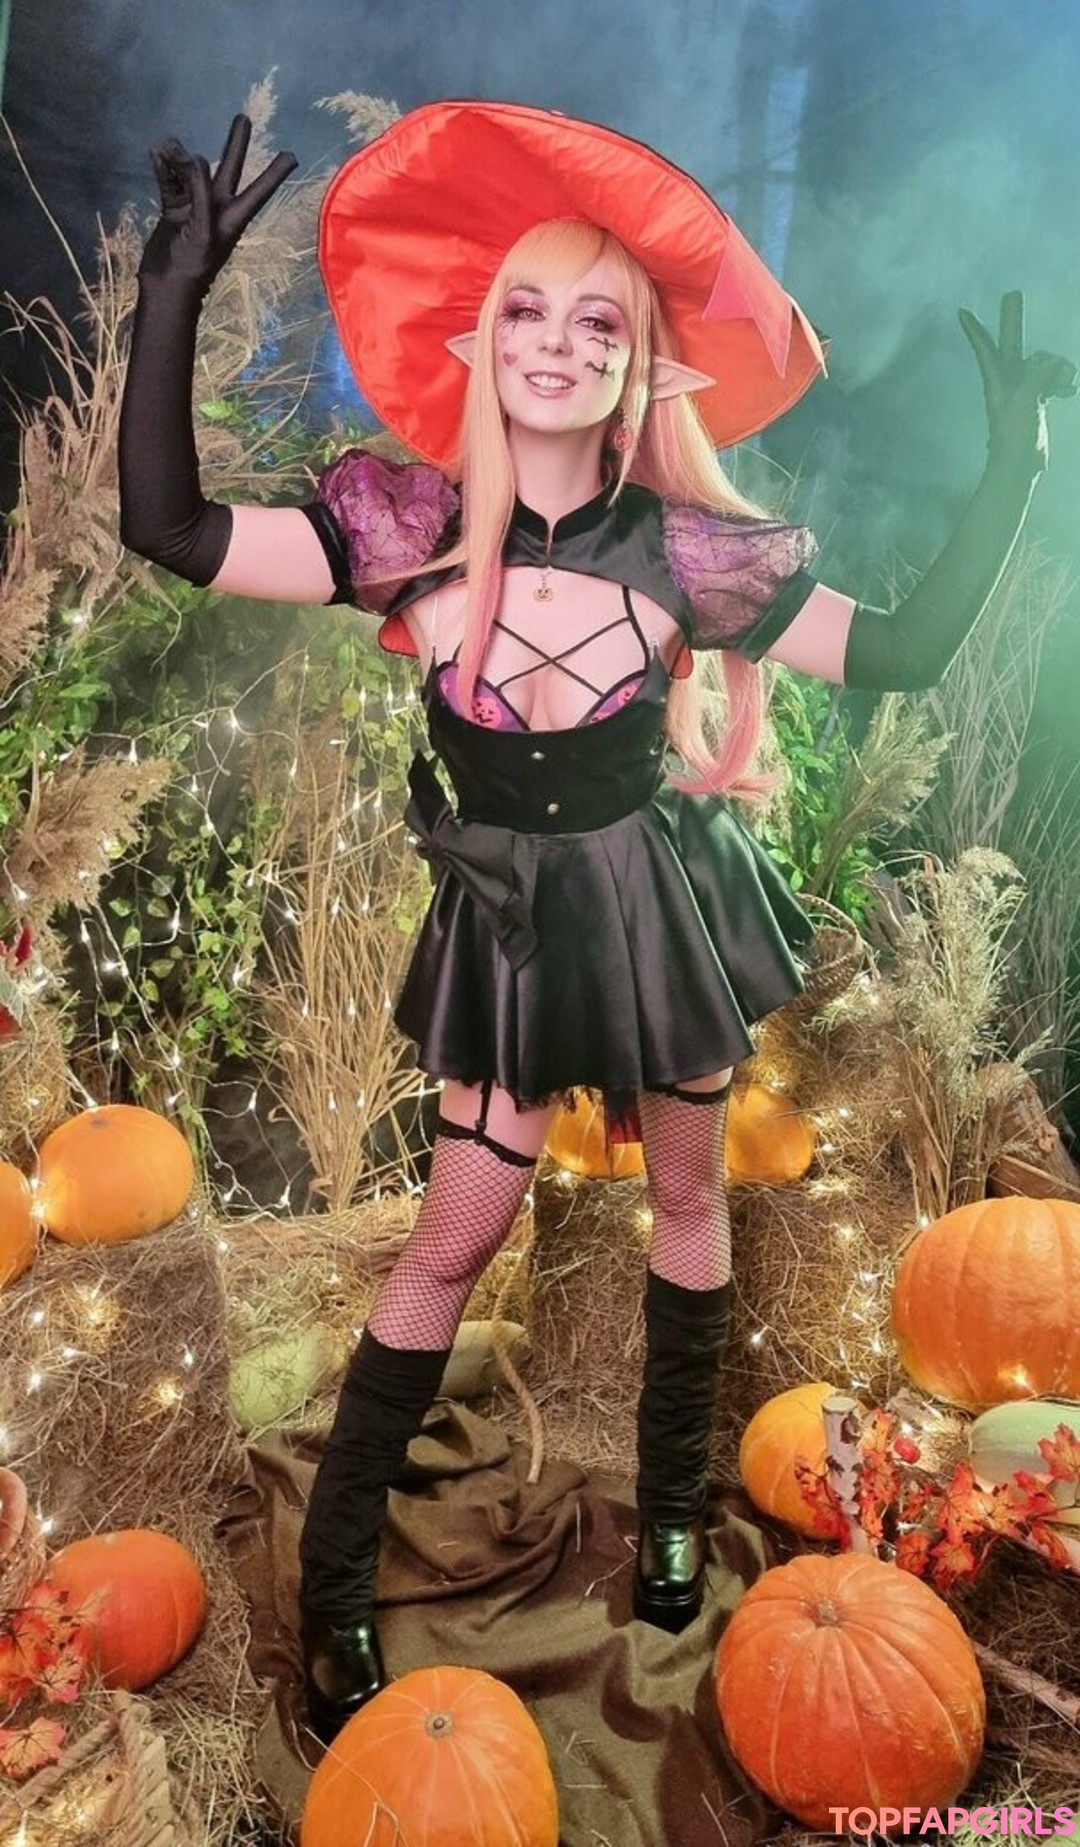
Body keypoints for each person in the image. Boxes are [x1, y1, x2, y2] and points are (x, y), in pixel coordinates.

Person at [118, 103, 1074, 1742]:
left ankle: (678, 1513)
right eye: (529, 312)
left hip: (650, 906)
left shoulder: (688, 550)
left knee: (687, 1194)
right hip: (507, 925)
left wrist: (1014, 472)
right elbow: (173, 530)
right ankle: (336, 1587)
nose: (559, 346)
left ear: (642, 369)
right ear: (481, 343)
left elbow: (906, 652)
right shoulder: (407, 531)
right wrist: (170, 301)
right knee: (454, 1235)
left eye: (601, 323)